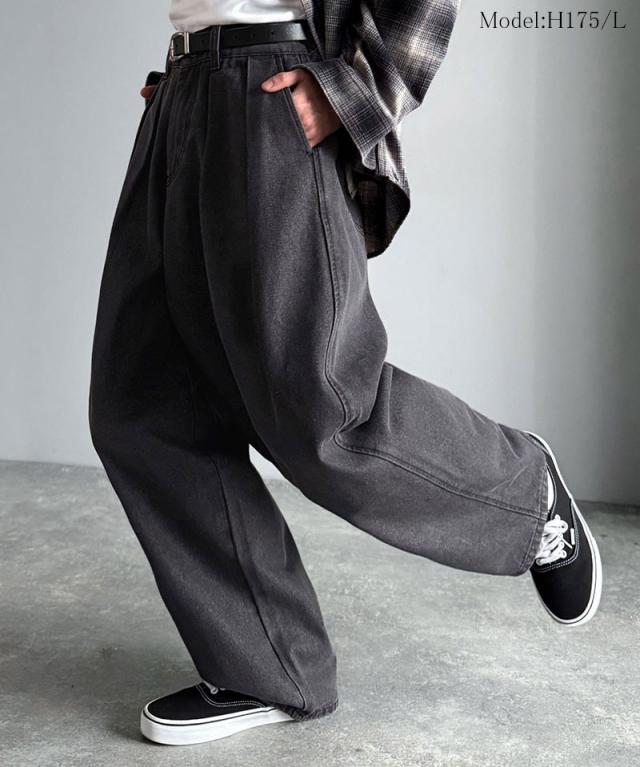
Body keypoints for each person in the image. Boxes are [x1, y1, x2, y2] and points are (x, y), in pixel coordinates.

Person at [88, 0, 603, 747]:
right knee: (144, 405)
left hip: (272, 88)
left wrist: (355, 93)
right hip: (186, 86)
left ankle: (528, 495)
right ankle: (268, 668)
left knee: (326, 409)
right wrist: (188, 80)